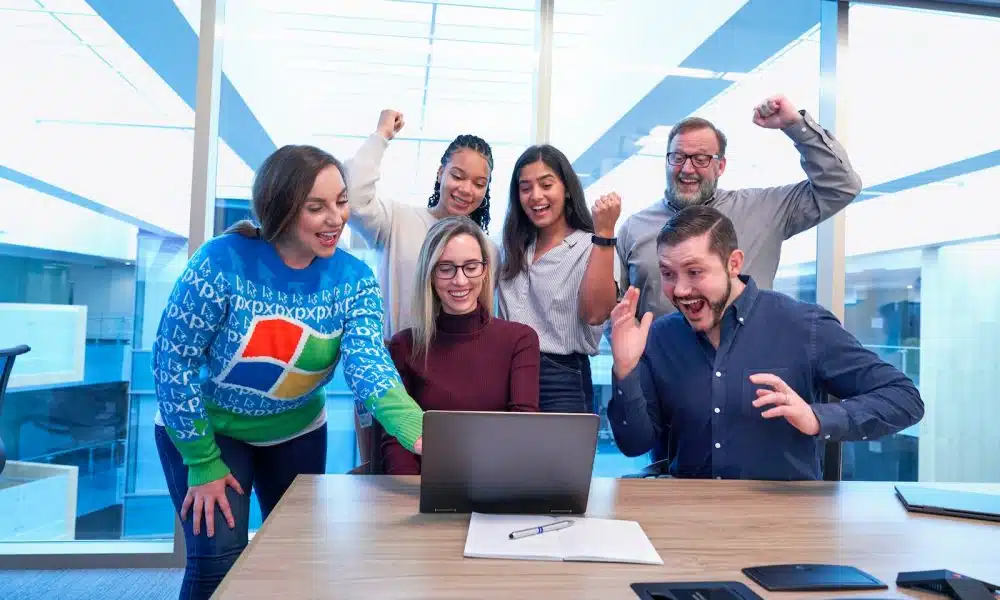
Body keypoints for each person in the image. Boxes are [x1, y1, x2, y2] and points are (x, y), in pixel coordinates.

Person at [151, 144, 424, 600]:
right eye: (316, 207)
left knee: (297, 557)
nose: (336, 218)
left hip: (296, 430)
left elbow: (368, 364)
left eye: (340, 202)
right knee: (219, 560)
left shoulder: (354, 280)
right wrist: (201, 460)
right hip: (209, 429)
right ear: (280, 208)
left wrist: (417, 429)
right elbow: (171, 361)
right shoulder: (220, 262)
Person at [607, 205, 924, 480]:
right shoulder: (661, 337)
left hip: (783, 523)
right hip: (691, 517)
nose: (680, 290)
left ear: (734, 263)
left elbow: (904, 399)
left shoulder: (803, 325)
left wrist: (816, 418)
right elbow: (634, 443)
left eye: (694, 271)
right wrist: (624, 371)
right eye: (668, 273)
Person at [616, 94, 864, 321]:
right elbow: (615, 310)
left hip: (749, 365)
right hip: (663, 367)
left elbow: (840, 186)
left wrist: (795, 126)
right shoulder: (634, 229)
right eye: (678, 157)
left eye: (701, 159)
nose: (687, 169)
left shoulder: (764, 210)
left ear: (721, 166)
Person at [382, 216, 540, 474]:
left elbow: (521, 430)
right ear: (430, 274)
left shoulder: (520, 341)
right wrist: (412, 498)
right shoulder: (404, 346)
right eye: (446, 268)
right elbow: (396, 441)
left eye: (471, 266)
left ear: (485, 270)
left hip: (499, 484)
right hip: (426, 489)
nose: (460, 280)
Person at [345, 109, 499, 339]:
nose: (466, 189)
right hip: (396, 363)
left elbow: (483, 318)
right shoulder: (397, 220)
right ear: (440, 173)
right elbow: (354, 200)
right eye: (457, 176)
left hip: (456, 366)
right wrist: (381, 135)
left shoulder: (488, 249)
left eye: (479, 183)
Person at [497, 144, 621, 413]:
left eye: (546, 184)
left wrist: (605, 233)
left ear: (566, 190)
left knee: (561, 456)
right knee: (507, 455)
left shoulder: (594, 246)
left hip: (561, 379)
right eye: (525, 187)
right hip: (505, 372)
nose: (535, 196)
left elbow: (596, 314)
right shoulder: (510, 246)